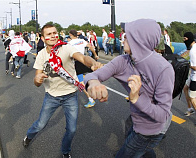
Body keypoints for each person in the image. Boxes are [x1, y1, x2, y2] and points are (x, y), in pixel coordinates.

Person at [84, 19, 174, 158]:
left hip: (152, 129)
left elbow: (163, 114)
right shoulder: (124, 60)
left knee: (130, 150)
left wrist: (136, 98)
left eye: (129, 34)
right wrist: (94, 83)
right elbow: (92, 75)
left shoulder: (164, 69)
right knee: (137, 145)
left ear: (141, 40)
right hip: (135, 119)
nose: (124, 37)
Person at [22, 24, 102, 158]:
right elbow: (36, 81)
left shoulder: (66, 47)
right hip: (52, 96)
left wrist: (92, 63)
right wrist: (38, 79)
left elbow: (82, 58)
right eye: (49, 34)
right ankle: (29, 136)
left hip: (70, 95)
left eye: (54, 33)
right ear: (43, 38)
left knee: (71, 129)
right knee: (40, 124)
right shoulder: (41, 55)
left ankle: (65, 151)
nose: (53, 36)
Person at [68, 29, 98, 108]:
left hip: (76, 62)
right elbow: (90, 46)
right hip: (84, 60)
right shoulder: (81, 40)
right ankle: (93, 90)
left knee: (80, 82)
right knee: (88, 78)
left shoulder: (69, 43)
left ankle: (91, 99)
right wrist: (95, 55)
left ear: (71, 35)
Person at [183, 32, 196, 116]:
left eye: (185, 39)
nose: (183, 40)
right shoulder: (193, 48)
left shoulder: (193, 51)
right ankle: (190, 108)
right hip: (192, 75)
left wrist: (188, 65)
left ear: (189, 38)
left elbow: (195, 67)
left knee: (192, 97)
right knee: (185, 88)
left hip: (195, 77)